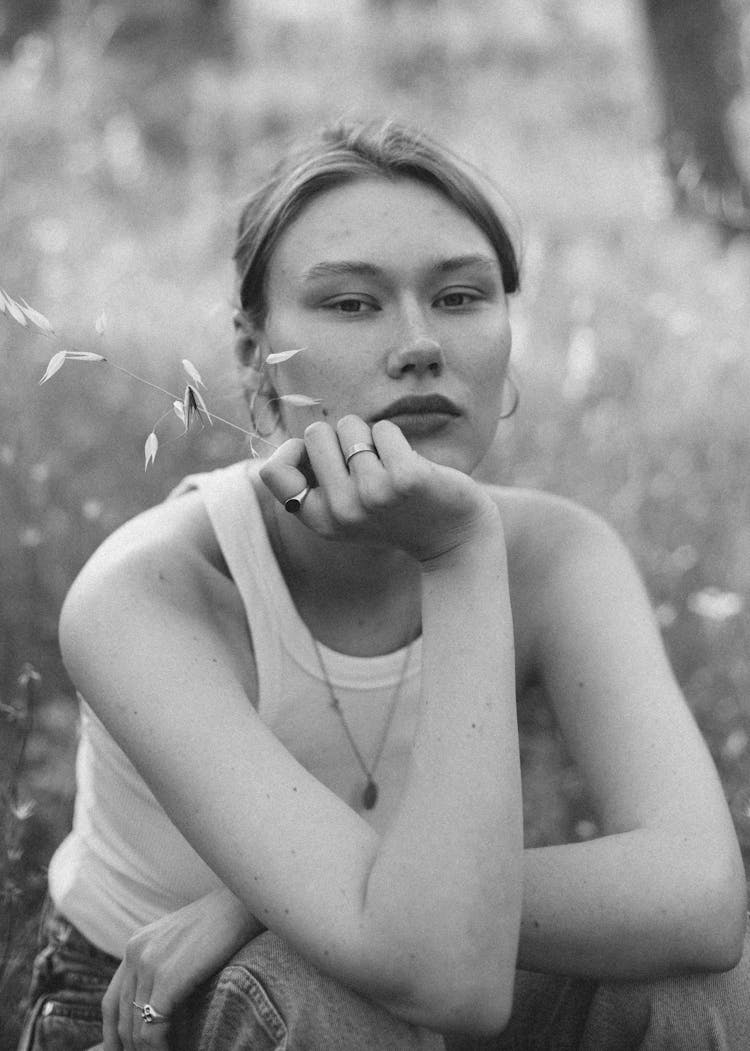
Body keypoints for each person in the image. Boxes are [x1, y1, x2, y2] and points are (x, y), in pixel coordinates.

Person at [17, 119, 750, 1051]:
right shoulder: (151, 587)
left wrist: (261, 904)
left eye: (459, 296)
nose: (419, 344)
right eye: (352, 304)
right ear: (253, 355)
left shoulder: (556, 554)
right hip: (159, 1007)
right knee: (324, 986)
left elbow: (702, 898)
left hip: (415, 972)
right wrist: (453, 555)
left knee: (701, 987)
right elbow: (440, 976)